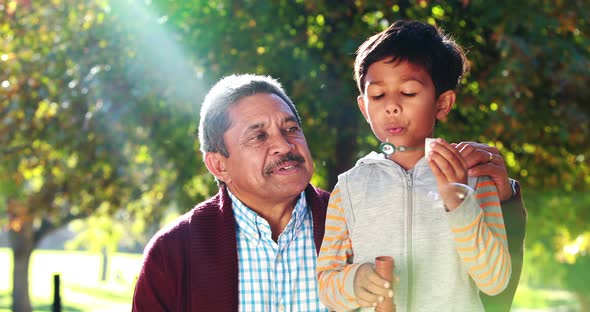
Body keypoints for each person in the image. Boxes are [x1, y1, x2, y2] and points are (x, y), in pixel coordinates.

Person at [132, 74, 526, 311]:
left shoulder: (358, 211)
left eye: (291, 129)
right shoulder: (174, 253)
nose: (284, 145)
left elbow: (483, 294)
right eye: (258, 136)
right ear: (218, 164)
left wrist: (501, 202)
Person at [316, 20, 517, 311]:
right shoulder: (348, 187)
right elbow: (327, 283)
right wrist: (354, 281)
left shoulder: (472, 178)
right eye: (378, 95)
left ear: (442, 104)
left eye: (408, 92)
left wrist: (459, 202)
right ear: (364, 108)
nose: (392, 105)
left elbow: (495, 280)